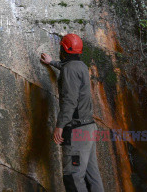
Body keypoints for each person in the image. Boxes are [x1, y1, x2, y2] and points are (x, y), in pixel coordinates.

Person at [40, 34, 104, 192]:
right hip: (88, 128)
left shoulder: (69, 69)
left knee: (73, 176)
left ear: (63, 49)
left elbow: (70, 101)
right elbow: (67, 67)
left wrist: (60, 125)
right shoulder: (81, 66)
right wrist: (52, 62)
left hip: (76, 131)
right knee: (92, 176)